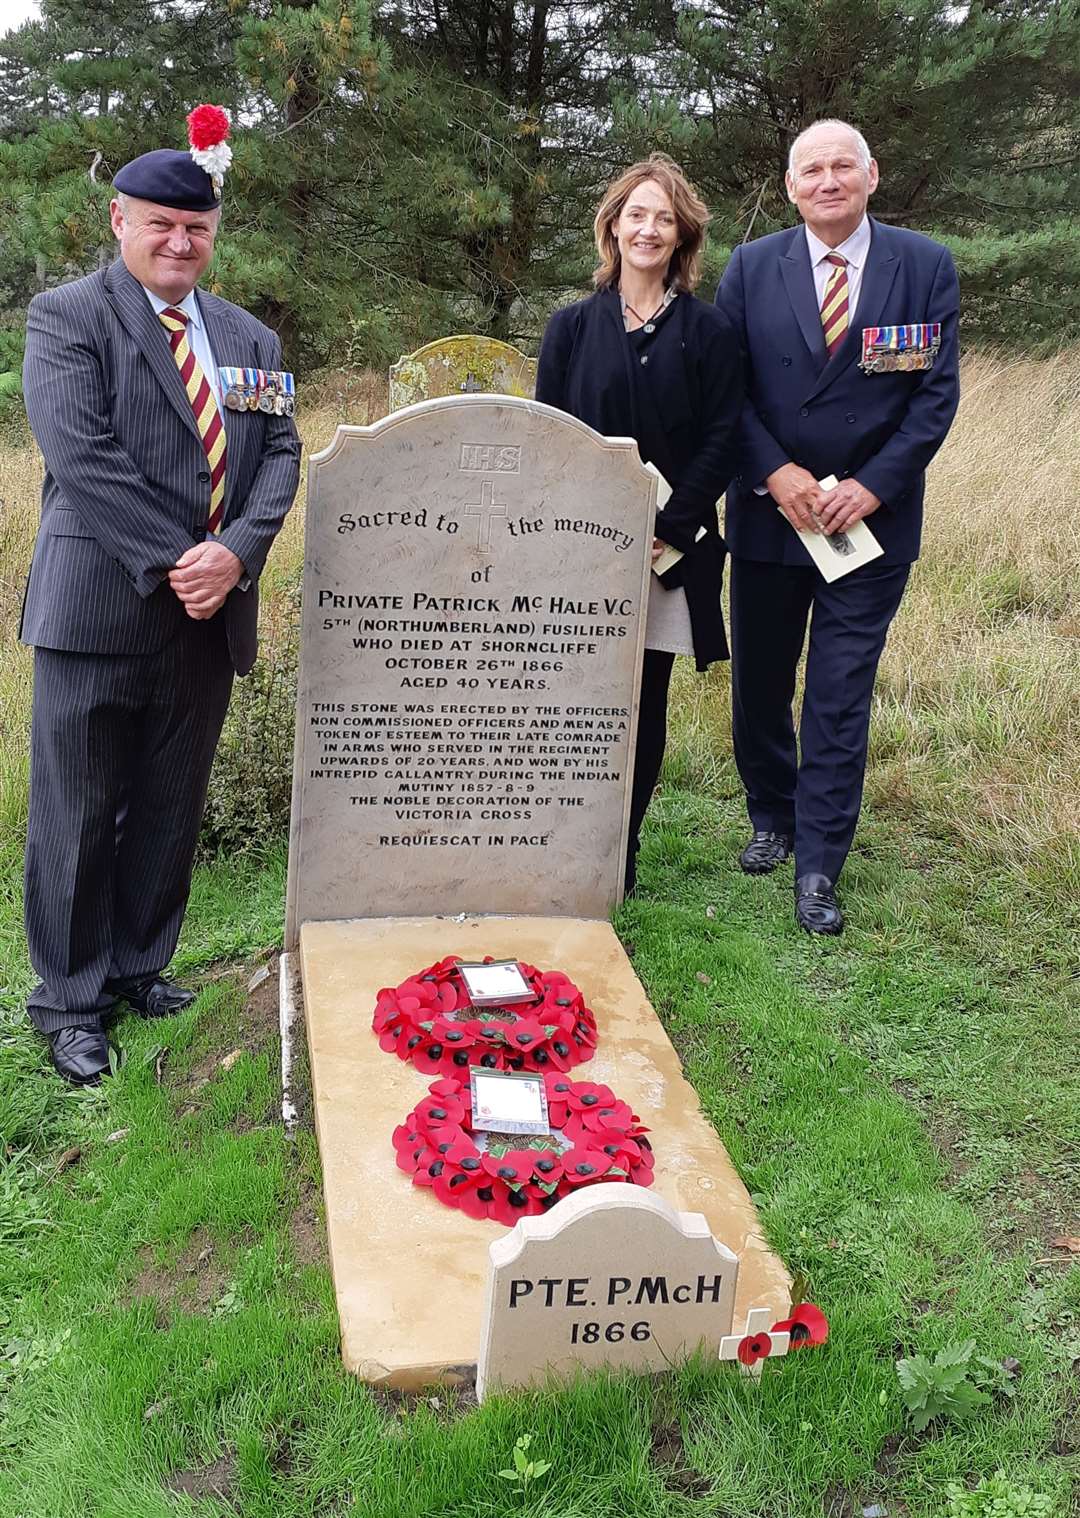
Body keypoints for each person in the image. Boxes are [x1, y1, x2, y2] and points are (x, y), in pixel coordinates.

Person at [20, 107, 301, 1084]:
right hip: (99, 610)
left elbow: (282, 452)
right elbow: (82, 458)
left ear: (213, 234)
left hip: (207, 617)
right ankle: (69, 1001)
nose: (180, 243)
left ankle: (141, 967)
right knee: (78, 810)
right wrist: (185, 559)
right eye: (160, 225)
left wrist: (237, 552)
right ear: (121, 221)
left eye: (197, 229)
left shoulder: (251, 336)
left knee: (168, 802)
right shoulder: (67, 320)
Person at [717, 119, 960, 935]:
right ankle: (772, 815)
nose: (828, 180)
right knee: (760, 682)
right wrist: (775, 472)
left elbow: (934, 400)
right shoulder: (750, 269)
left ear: (872, 175)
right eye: (811, 169)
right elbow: (729, 392)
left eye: (842, 167)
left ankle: (819, 862)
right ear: (790, 186)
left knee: (837, 693)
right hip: (769, 512)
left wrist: (871, 487)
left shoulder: (924, 266)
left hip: (867, 525)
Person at [536, 154, 743, 894]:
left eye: (664, 217)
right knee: (569, 698)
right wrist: (591, 524)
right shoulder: (570, 329)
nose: (649, 229)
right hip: (580, 548)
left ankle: (617, 857)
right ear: (613, 228)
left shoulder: (711, 332)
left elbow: (725, 435)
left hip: (668, 550)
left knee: (640, 699)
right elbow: (550, 436)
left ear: (681, 235)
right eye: (636, 215)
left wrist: (671, 523)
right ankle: (555, 841)